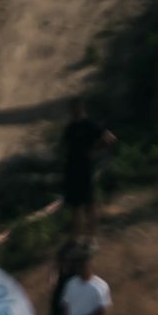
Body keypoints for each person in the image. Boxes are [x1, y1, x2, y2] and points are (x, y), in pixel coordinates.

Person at [60, 99, 117, 238]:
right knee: (76, 207)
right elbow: (65, 148)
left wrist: (95, 150)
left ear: (81, 108)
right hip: (72, 170)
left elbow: (110, 138)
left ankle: (92, 236)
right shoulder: (70, 128)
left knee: (89, 205)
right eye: (72, 109)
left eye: (76, 108)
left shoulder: (90, 125)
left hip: (86, 169)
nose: (74, 111)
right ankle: (77, 237)